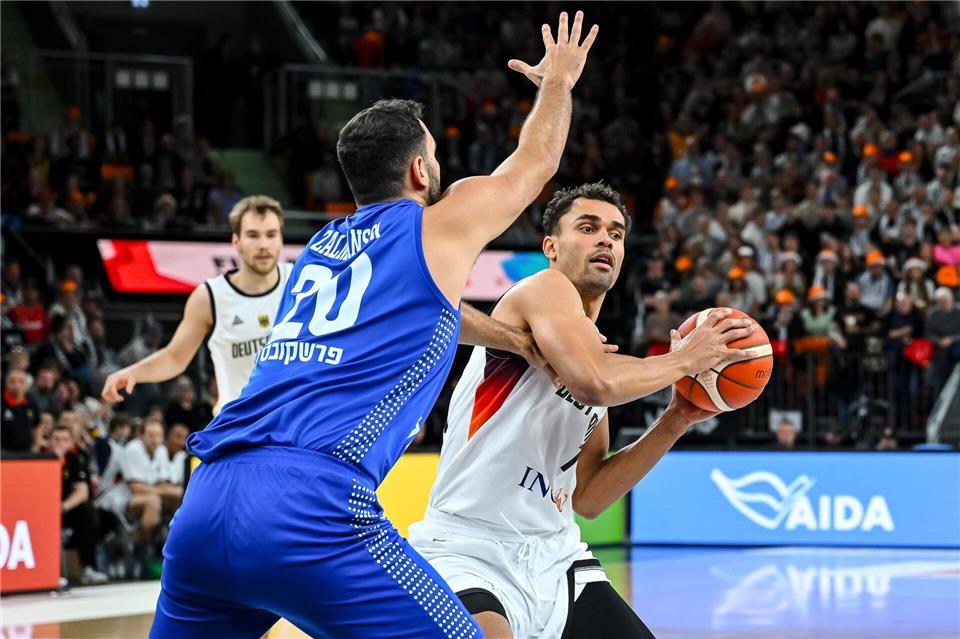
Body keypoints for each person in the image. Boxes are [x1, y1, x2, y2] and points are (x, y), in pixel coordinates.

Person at [151, 13, 602, 638]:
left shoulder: (318, 252)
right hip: (311, 506)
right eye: (436, 155)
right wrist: (559, 83)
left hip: (208, 499)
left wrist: (506, 337)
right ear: (420, 171)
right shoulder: (435, 224)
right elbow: (537, 161)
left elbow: (423, 317)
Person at [408, 183, 756, 639]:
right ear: (551, 246)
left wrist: (676, 420)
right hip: (470, 548)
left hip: (555, 557)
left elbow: (589, 497)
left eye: (616, 234)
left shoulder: (596, 349)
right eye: (588, 228)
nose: (605, 240)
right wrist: (685, 360)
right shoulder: (542, 289)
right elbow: (596, 384)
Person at [102, 195, 292, 415]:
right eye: (253, 235)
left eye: (271, 235)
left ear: (281, 239)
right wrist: (132, 373)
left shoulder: (302, 282)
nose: (263, 245)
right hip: (241, 428)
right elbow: (175, 357)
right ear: (236, 241)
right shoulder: (210, 296)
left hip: (292, 423)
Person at [49, 425, 109, 585]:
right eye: (56, 439)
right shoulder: (41, 455)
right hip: (42, 509)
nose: (60, 443)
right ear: (49, 441)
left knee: (88, 511)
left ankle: (87, 568)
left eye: (64, 440)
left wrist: (62, 508)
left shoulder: (74, 458)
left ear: (71, 442)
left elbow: (82, 492)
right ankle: (46, 572)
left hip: (65, 510)